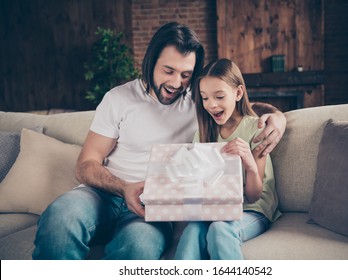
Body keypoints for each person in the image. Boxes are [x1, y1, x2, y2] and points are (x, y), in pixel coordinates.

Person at [32, 22, 286, 260]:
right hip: (102, 195)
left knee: (139, 247)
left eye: (186, 74)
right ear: (151, 61)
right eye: (168, 71)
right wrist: (123, 187)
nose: (176, 83)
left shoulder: (199, 103)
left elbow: (239, 108)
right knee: (60, 217)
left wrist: (277, 117)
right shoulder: (118, 98)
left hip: (150, 210)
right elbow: (86, 164)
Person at [174, 58, 282, 260]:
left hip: (252, 210)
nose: (211, 105)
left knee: (220, 229)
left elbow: (254, 196)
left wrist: (249, 162)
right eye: (205, 98)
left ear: (238, 93)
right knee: (191, 232)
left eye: (219, 96)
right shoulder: (203, 133)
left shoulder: (255, 128)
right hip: (216, 209)